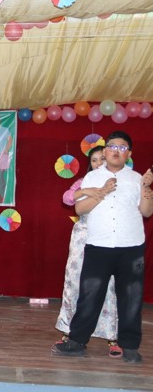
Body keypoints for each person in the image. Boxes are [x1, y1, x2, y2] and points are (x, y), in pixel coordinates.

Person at [53, 131, 153, 364]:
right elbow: (79, 210)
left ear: (128, 153)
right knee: (89, 295)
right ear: (105, 150)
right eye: (112, 146)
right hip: (99, 245)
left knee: (131, 298)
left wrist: (147, 190)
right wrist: (102, 192)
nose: (116, 151)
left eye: (122, 147)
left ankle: (129, 346)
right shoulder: (91, 178)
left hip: (131, 246)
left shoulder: (137, 178)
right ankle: (77, 341)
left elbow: (147, 211)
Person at [54, 146, 121, 357]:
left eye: (103, 158)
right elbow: (67, 198)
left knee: (108, 285)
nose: (99, 163)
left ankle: (112, 336)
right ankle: (69, 331)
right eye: (94, 160)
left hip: (108, 238)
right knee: (74, 282)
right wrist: (85, 190)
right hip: (83, 237)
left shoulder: (118, 183)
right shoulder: (83, 181)